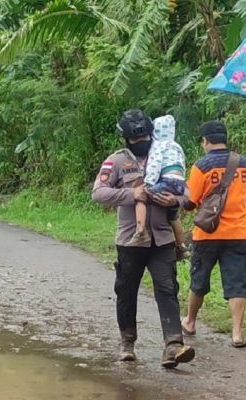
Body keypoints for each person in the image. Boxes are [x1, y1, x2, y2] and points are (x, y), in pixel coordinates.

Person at [91, 109, 194, 369]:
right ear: (125, 139)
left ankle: (173, 345)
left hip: (162, 239)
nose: (141, 143)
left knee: (167, 288)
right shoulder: (115, 162)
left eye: (145, 137)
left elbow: (188, 193)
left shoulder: (166, 152)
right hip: (130, 239)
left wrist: (176, 200)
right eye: (135, 140)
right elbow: (99, 193)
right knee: (126, 291)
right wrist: (132, 194)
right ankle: (127, 343)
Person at [181, 121, 246, 348]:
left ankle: (190, 322)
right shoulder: (244, 163)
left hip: (207, 234)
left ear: (205, 141)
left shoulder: (201, 166)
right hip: (238, 232)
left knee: (199, 279)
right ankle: (237, 333)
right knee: (237, 282)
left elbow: (190, 203)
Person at [129, 115, 189, 259]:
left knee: (141, 197)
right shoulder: (176, 145)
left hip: (166, 181)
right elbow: (182, 165)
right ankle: (182, 246)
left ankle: (140, 230)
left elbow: (155, 165)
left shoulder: (158, 146)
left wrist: (148, 183)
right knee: (173, 215)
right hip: (179, 182)